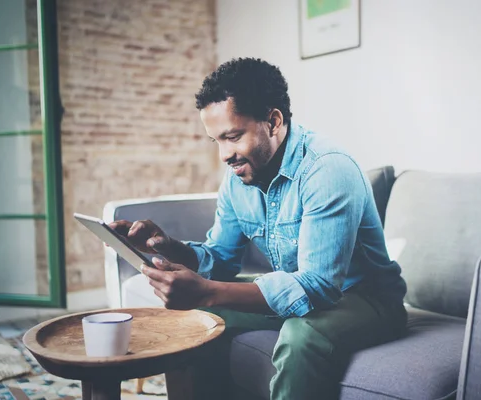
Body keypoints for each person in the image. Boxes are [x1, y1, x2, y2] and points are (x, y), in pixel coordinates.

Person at [110, 57, 407, 400]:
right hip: (303, 288)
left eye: (232, 136)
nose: (224, 155)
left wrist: (208, 291)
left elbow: (319, 286)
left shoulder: (327, 169)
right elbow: (221, 258)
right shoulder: (239, 177)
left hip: (368, 301)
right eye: (216, 141)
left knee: (301, 337)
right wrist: (167, 246)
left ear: (274, 121)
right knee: (196, 317)